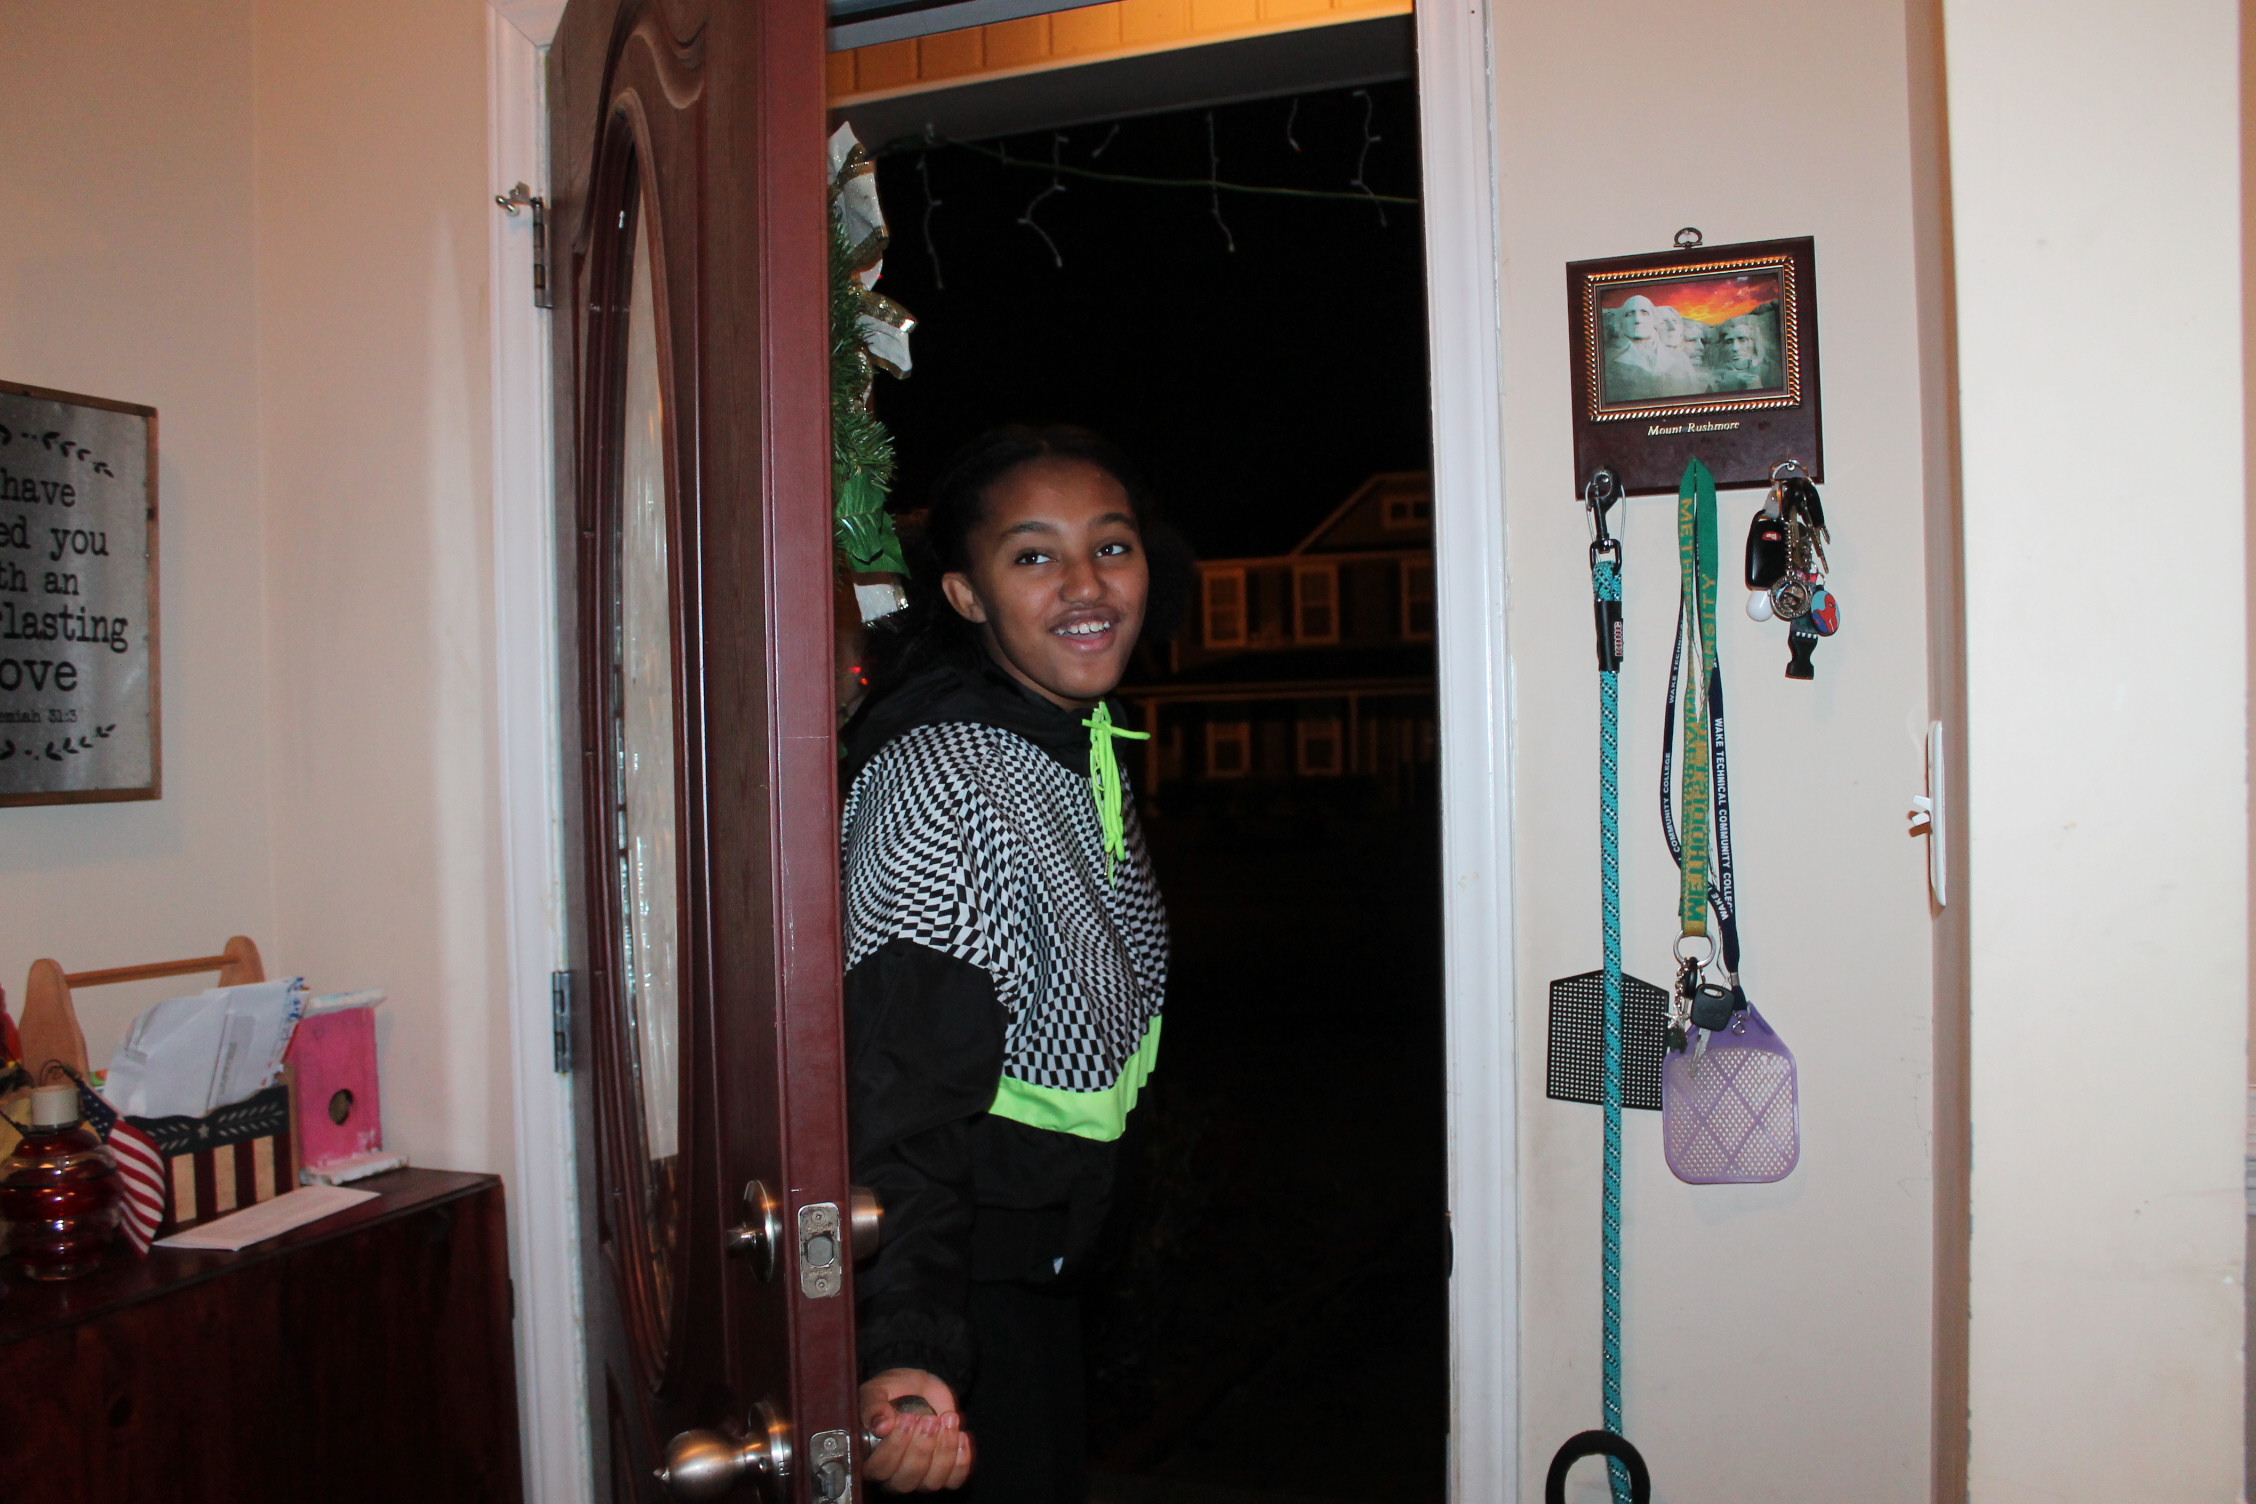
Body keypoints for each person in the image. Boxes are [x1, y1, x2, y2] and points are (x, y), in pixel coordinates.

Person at [840, 426, 1178, 1502]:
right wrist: (909, 1347)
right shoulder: (955, 777)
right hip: (965, 1287)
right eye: (1034, 555)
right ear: (966, 593)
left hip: (1038, 1267)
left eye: (1111, 546)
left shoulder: (1068, 734)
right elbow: (900, 1088)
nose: (1087, 584)